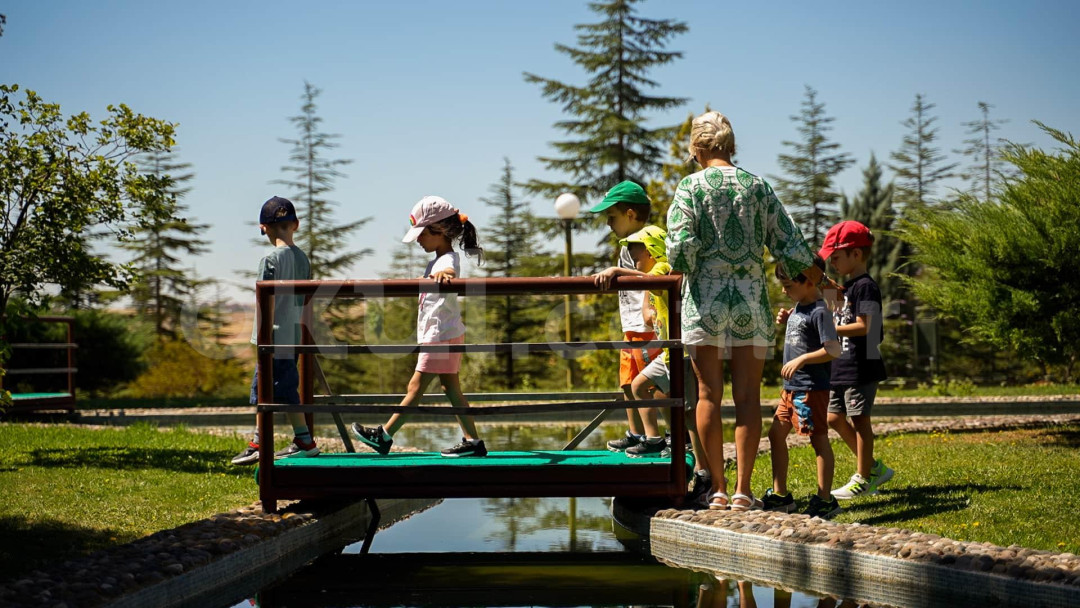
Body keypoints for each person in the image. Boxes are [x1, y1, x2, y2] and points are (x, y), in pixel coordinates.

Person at [667, 111, 821, 511]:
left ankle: (717, 489)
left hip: (705, 301)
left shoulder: (689, 187)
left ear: (697, 148)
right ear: (731, 146)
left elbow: (679, 251)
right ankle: (743, 491)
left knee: (707, 394)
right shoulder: (758, 186)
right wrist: (822, 279)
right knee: (749, 397)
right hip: (750, 300)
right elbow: (790, 244)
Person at [350, 195, 487, 457]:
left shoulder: (446, 260)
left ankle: (384, 436)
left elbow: (450, 272)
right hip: (446, 333)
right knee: (451, 388)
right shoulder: (436, 260)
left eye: (422, 234)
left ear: (439, 230)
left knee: (415, 387)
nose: (418, 240)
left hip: (439, 335)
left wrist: (443, 275)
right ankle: (473, 442)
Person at [599, 225, 711, 501]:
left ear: (651, 252)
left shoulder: (662, 268)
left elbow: (648, 280)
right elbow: (649, 316)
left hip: (682, 353)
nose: (633, 262)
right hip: (668, 353)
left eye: (636, 257)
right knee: (639, 386)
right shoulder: (655, 276)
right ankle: (656, 439)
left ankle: (703, 472)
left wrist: (617, 271)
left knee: (688, 414)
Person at [231, 196, 318, 465]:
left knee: (272, 390)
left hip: (272, 337)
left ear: (263, 228)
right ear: (296, 224)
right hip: (294, 335)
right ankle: (266, 441)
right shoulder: (303, 259)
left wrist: (262, 338)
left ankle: (295, 441)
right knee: (276, 388)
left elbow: (265, 303)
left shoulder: (269, 260)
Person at [819, 220, 894, 499]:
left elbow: (865, 327)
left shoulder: (866, 287)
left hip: (861, 366)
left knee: (860, 420)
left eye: (836, 257)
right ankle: (873, 467)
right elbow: (828, 308)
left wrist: (830, 329)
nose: (832, 262)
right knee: (833, 418)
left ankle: (863, 478)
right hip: (840, 366)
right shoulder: (845, 288)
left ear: (857, 254)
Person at [588, 181, 664, 455]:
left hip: (644, 327)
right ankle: (636, 433)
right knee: (628, 381)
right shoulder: (627, 246)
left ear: (630, 214)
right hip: (631, 327)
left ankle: (656, 437)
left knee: (647, 383)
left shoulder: (644, 241)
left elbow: (652, 279)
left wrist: (616, 271)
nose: (608, 223)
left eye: (612, 217)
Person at [764, 255, 843, 518]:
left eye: (788, 286)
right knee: (775, 435)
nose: (784, 291)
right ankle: (781, 496)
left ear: (809, 281)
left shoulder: (820, 311)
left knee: (818, 439)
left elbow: (833, 349)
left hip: (810, 388)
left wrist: (802, 359)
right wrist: (790, 317)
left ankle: (825, 499)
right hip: (791, 388)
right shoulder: (800, 307)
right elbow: (805, 331)